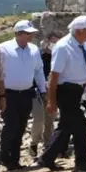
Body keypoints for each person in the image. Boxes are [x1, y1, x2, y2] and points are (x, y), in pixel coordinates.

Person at [35, 15, 86, 172]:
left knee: (65, 126)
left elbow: (81, 65)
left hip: (77, 90)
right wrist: (51, 101)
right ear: (79, 30)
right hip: (66, 91)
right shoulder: (63, 47)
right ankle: (81, 161)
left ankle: (47, 158)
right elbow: (54, 75)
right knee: (80, 125)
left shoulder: (80, 45)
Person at [0, 20, 46, 171]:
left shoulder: (34, 50)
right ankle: (4, 156)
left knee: (21, 126)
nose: (31, 36)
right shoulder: (3, 49)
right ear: (18, 33)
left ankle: (15, 160)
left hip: (26, 93)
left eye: (32, 33)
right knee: (11, 125)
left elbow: (38, 71)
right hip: (9, 94)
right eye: (28, 33)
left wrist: (43, 91)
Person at [30, 31, 61, 159]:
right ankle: (34, 143)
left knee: (50, 120)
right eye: (53, 41)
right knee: (39, 119)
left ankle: (48, 146)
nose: (54, 45)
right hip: (36, 92)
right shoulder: (37, 55)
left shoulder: (57, 57)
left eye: (57, 42)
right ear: (47, 42)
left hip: (51, 92)